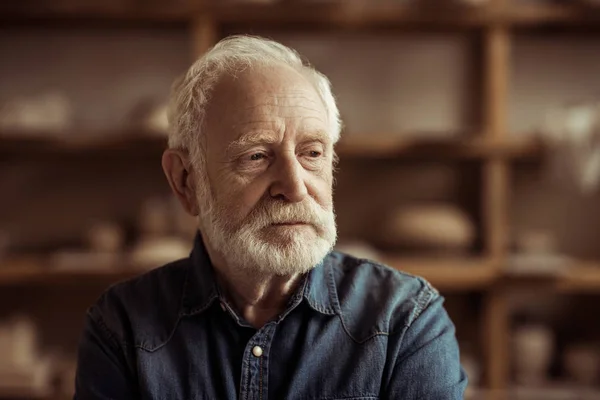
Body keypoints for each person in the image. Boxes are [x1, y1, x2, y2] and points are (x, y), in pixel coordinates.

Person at [74, 35, 467, 399]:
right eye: (257, 156)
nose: (295, 187)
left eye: (312, 153)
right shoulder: (122, 328)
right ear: (185, 181)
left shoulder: (405, 320)